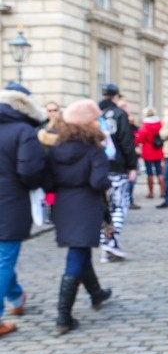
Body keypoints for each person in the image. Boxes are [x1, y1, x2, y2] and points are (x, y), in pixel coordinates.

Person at [44, 99, 113, 334]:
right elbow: (98, 181)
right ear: (86, 122)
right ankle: (63, 316)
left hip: (64, 205)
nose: (99, 122)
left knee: (80, 249)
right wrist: (107, 180)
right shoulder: (93, 148)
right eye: (95, 119)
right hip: (85, 204)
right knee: (77, 254)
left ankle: (96, 293)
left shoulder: (56, 147)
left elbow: (48, 180)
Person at [0, 81, 46, 337]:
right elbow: (29, 171)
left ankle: (16, 299)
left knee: (3, 257)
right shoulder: (22, 130)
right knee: (5, 258)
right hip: (9, 202)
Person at [98, 83, 138, 262]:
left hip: (98, 166)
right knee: (120, 205)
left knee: (105, 208)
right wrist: (132, 166)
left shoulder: (95, 115)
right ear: (116, 97)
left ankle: (108, 247)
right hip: (117, 167)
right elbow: (126, 142)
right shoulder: (120, 114)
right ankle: (109, 242)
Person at [133, 107, 165, 199]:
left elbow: (140, 138)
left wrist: (135, 141)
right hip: (158, 149)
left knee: (149, 172)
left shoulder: (145, 125)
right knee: (159, 171)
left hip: (148, 149)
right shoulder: (160, 124)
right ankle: (162, 191)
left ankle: (151, 192)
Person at [118, 99, 141, 209]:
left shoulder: (129, 123)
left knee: (131, 179)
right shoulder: (120, 121)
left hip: (130, 154)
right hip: (123, 155)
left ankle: (129, 200)